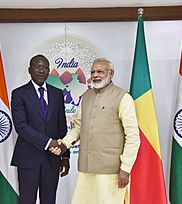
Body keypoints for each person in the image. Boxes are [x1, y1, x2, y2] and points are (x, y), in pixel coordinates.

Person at [50, 58, 140, 204]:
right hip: (86, 168)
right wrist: (64, 144)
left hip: (111, 171)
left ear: (111, 74)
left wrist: (126, 168)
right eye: (93, 72)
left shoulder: (123, 98)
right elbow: (78, 127)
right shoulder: (86, 96)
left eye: (100, 71)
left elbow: (133, 137)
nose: (95, 75)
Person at [11, 54, 70, 204]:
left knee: (49, 200)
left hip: (52, 160)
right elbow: (21, 126)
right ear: (29, 70)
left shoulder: (57, 93)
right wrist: (49, 142)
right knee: (27, 200)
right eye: (37, 67)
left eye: (44, 67)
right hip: (28, 159)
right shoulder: (19, 94)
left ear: (49, 71)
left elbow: (61, 126)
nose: (41, 70)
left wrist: (65, 156)